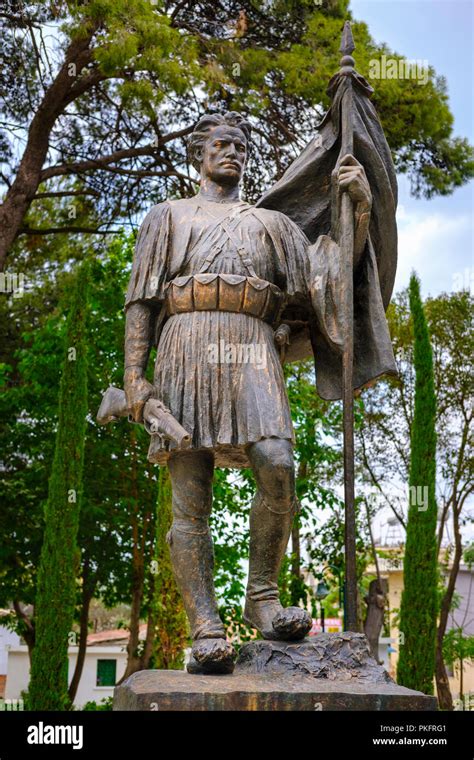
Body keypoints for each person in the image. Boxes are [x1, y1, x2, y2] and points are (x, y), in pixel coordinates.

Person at [123, 111, 373, 674]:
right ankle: (205, 626)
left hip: (254, 346)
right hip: (186, 343)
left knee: (277, 462)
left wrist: (358, 209)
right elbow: (140, 301)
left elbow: (326, 281)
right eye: (220, 143)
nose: (232, 151)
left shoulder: (272, 225)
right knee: (191, 491)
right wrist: (136, 379)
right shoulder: (168, 216)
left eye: (240, 144)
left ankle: (261, 596)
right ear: (199, 154)